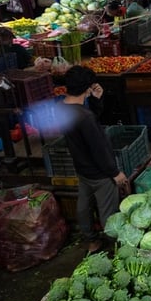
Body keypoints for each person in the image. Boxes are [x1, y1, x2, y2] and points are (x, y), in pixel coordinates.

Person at [58, 66, 128, 253]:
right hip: (100, 174)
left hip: (82, 170)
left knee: (83, 208)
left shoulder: (62, 108)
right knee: (108, 214)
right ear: (88, 87)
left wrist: (96, 102)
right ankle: (116, 248)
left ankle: (92, 241)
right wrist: (115, 173)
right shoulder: (85, 117)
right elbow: (99, 149)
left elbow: (85, 128)